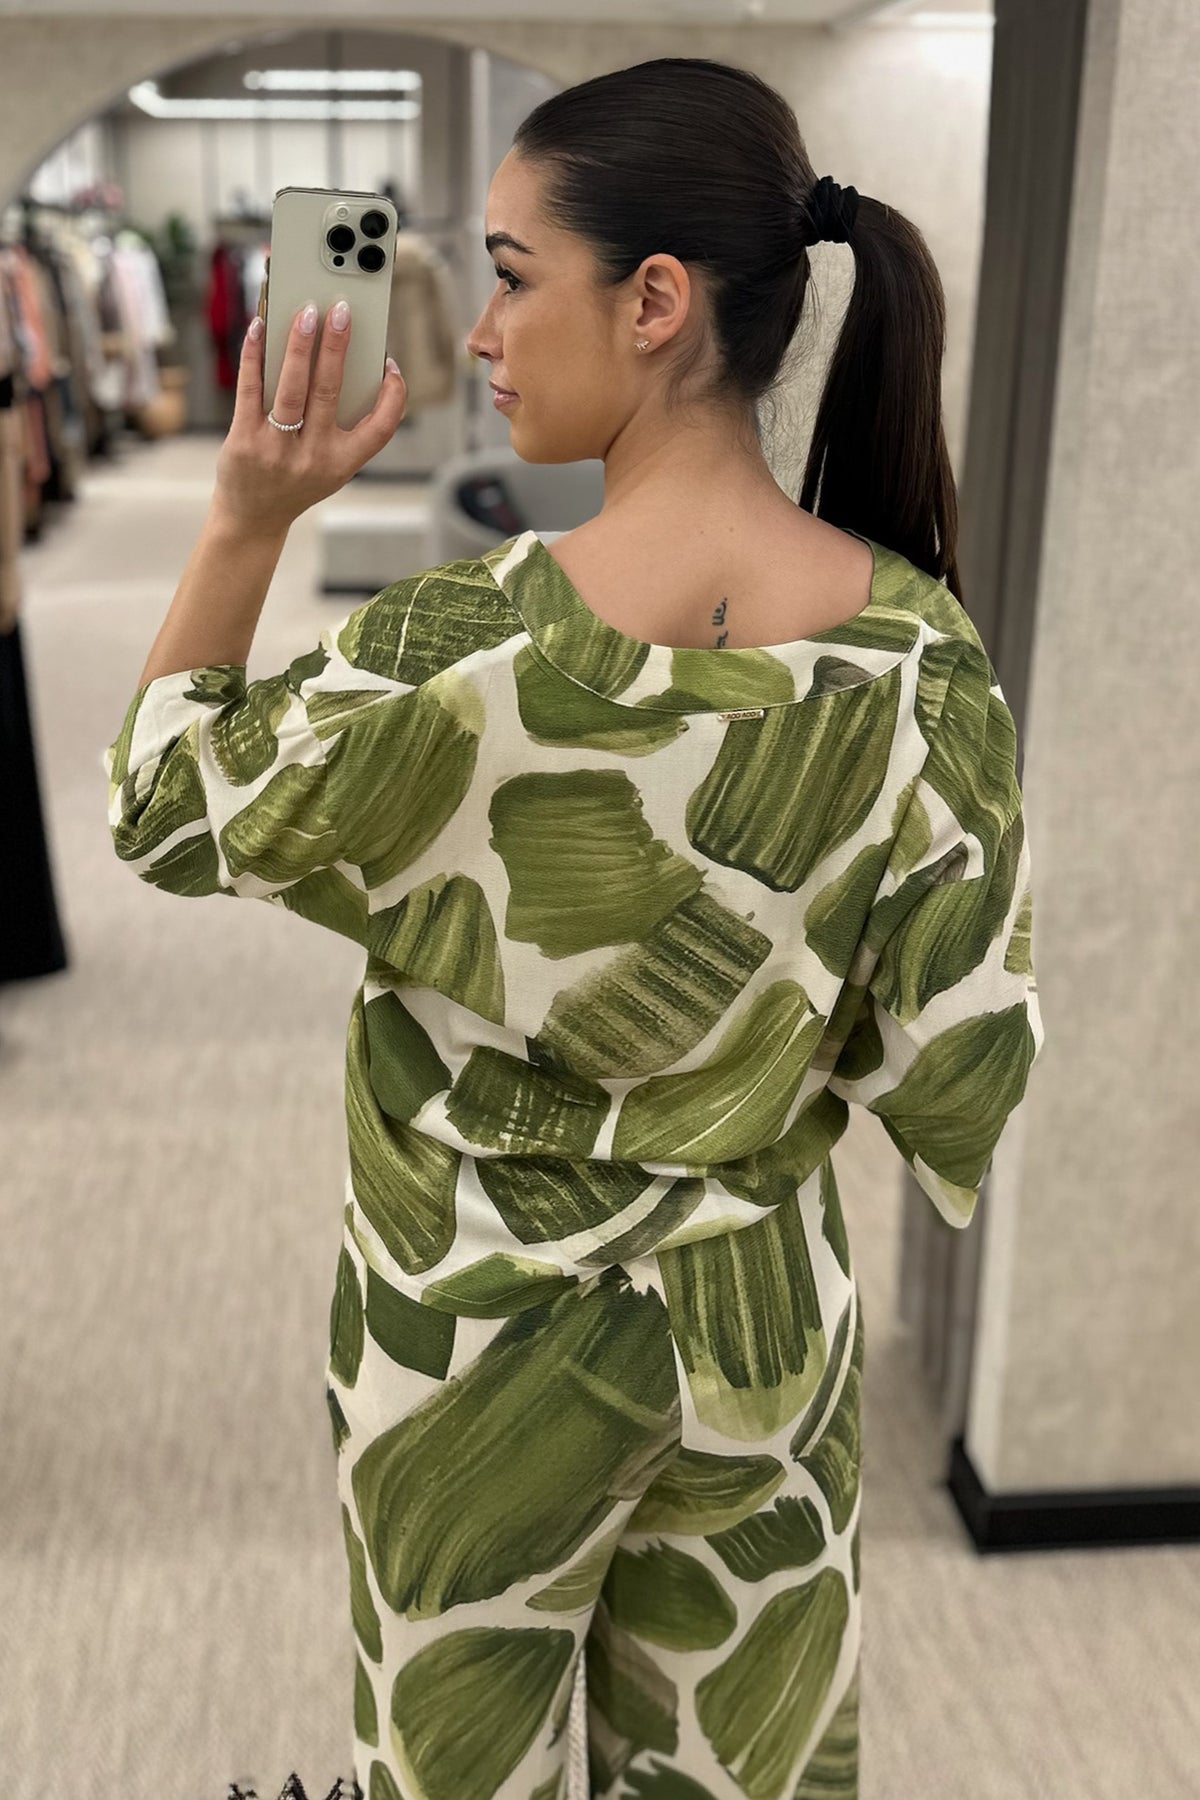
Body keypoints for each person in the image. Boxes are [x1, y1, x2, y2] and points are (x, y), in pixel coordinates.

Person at [104, 55, 1045, 1800]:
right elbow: (961, 1067)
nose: (480, 331)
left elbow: (166, 802)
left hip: (468, 1352)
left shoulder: (458, 649)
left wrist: (246, 514)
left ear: (656, 300)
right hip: (757, 1337)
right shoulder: (923, 657)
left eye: (512, 277)